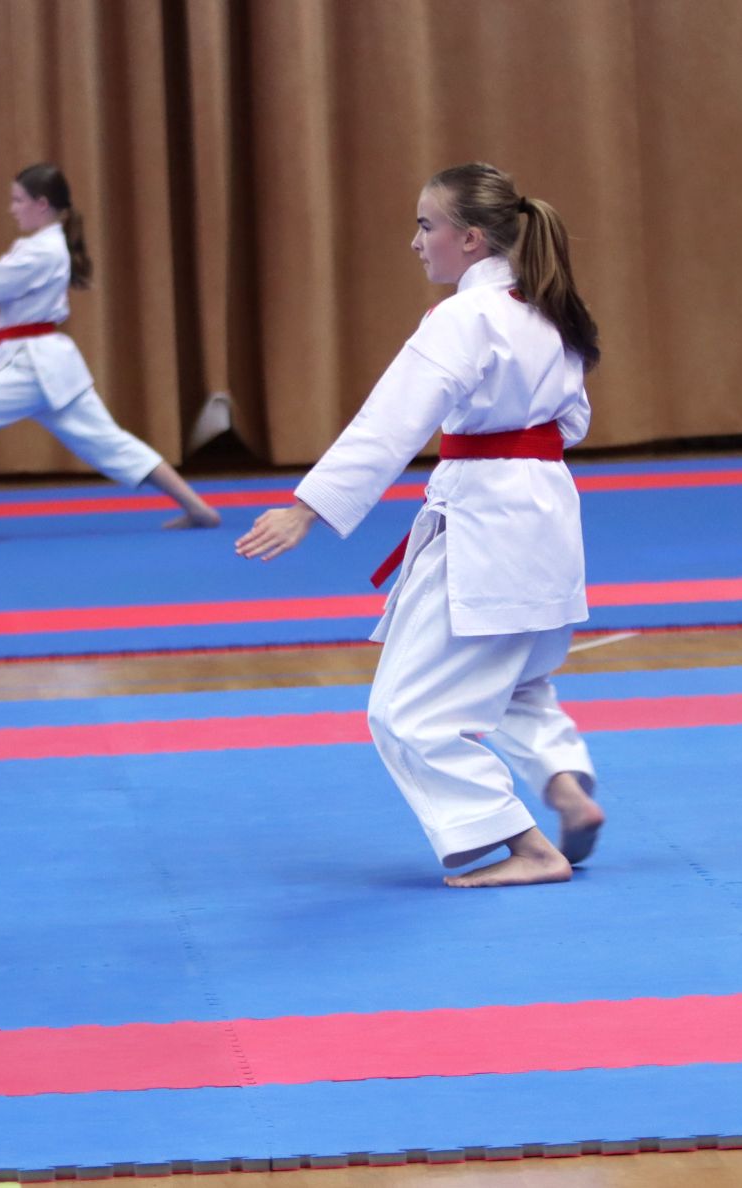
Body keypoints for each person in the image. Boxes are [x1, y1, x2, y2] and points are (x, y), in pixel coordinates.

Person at [236, 162, 606, 888]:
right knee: (515, 679)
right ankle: (566, 788)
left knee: (403, 713)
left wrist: (307, 508)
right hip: (548, 511)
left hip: (484, 520)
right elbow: (573, 422)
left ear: (470, 239)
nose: (415, 242)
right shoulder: (549, 310)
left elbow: (391, 422)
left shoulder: (465, 318)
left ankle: (527, 845)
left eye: (426, 225)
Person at [0, 162, 220, 543]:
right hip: (46, 366)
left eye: (18, 200)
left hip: (32, 366)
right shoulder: (42, 247)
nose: (12, 209)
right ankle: (198, 509)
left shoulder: (43, 251)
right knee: (110, 442)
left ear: (41, 204)